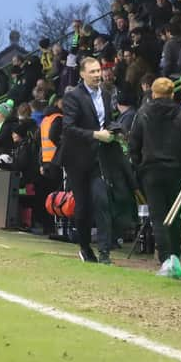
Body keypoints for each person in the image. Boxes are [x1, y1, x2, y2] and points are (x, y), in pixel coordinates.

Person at [129, 77, 181, 264]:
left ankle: (165, 258)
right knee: (175, 215)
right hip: (177, 171)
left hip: (151, 171)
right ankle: (176, 255)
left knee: (158, 216)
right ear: (172, 94)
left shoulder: (143, 113)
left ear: (153, 93)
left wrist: (139, 165)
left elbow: (134, 144)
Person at [62, 57, 115, 264]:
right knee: (83, 206)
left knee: (102, 201)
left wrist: (115, 130)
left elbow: (106, 122)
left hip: (99, 159)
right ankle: (85, 247)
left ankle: (105, 252)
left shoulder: (107, 95)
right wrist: (95, 135)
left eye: (98, 71)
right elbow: (68, 128)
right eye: (92, 72)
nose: (97, 75)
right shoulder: (73, 97)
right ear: (82, 74)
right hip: (77, 159)